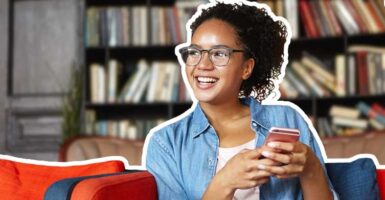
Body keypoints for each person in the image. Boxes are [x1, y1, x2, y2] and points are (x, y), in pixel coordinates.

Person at [144, 1, 337, 199]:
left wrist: (311, 167)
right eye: (194, 52)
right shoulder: (166, 143)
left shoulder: (287, 119)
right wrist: (225, 182)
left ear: (247, 68)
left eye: (219, 54)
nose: (202, 65)